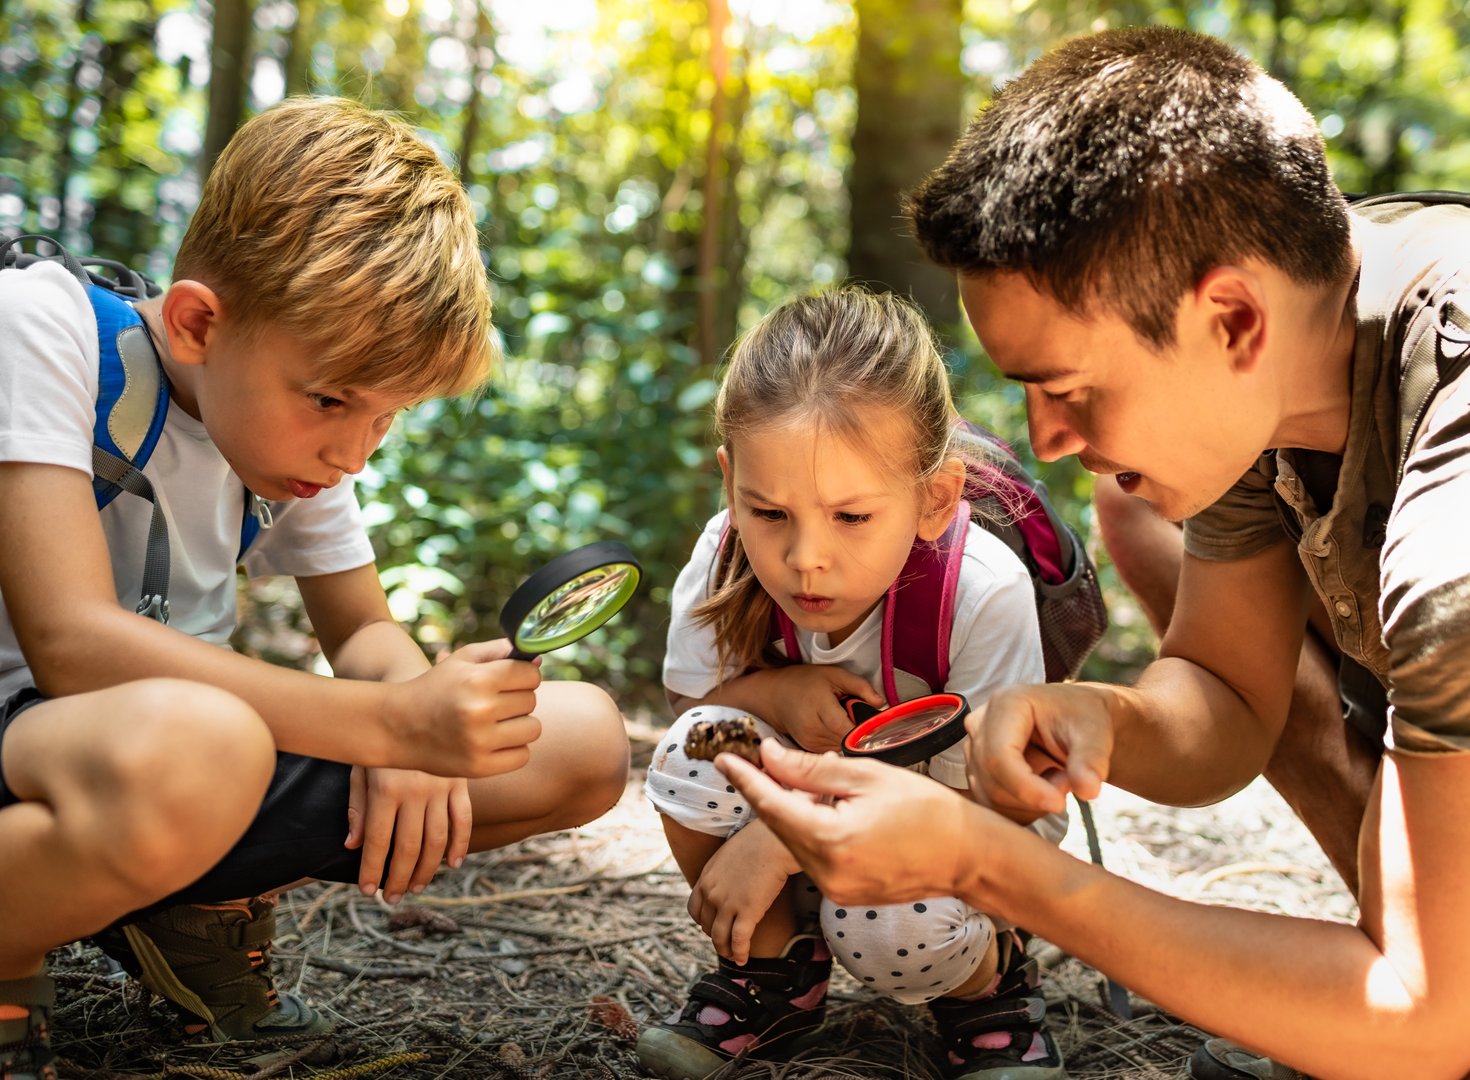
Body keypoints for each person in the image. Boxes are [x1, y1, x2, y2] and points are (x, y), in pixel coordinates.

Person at [716, 26, 1470, 1080]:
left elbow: (1434, 1023)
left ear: (1231, 320)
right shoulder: (1292, 348)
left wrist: (991, 868)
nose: (1044, 444)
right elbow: (1224, 696)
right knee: (1136, 512)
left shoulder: (1454, 527)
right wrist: (1101, 717)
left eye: (1068, 391)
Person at [0, 97, 629, 1079]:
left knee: (580, 743)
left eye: (389, 417)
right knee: (207, 744)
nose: (354, 451)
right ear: (200, 322)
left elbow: (367, 636)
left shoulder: (295, 452)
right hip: (43, 740)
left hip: (170, 773)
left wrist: (416, 713)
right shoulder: (48, 328)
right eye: (333, 399)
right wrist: (393, 729)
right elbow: (69, 644)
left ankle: (181, 904)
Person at [636, 288, 1068, 1080]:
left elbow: (986, 801)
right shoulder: (724, 554)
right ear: (731, 481)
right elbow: (689, 707)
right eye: (769, 512)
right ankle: (774, 970)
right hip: (830, 821)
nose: (805, 557)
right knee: (691, 753)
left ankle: (985, 983)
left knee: (884, 923)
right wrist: (774, 695)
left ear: (934, 497)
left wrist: (780, 833)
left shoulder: (980, 591)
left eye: (852, 517)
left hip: (969, 834)